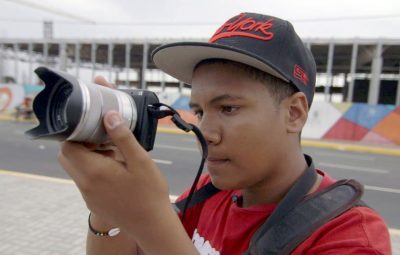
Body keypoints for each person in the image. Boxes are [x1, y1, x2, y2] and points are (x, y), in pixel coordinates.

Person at [58, 13, 391, 255]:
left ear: (294, 113)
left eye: (228, 108)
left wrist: (150, 219)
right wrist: (109, 206)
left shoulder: (349, 238)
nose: (205, 133)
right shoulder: (211, 192)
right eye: (200, 111)